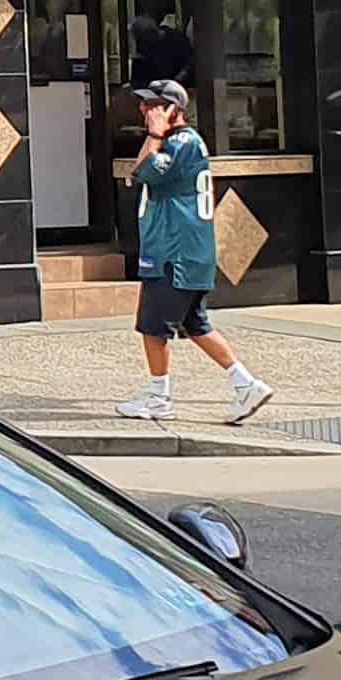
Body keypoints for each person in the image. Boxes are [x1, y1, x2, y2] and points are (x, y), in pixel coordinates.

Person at [116, 84, 273, 426]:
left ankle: (158, 398)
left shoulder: (179, 143)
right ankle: (246, 384)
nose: (145, 111)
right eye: (144, 106)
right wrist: (155, 135)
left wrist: (155, 135)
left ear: (173, 109)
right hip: (187, 253)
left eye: (153, 105)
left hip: (174, 253)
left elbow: (142, 172)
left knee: (152, 328)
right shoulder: (185, 142)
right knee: (196, 324)